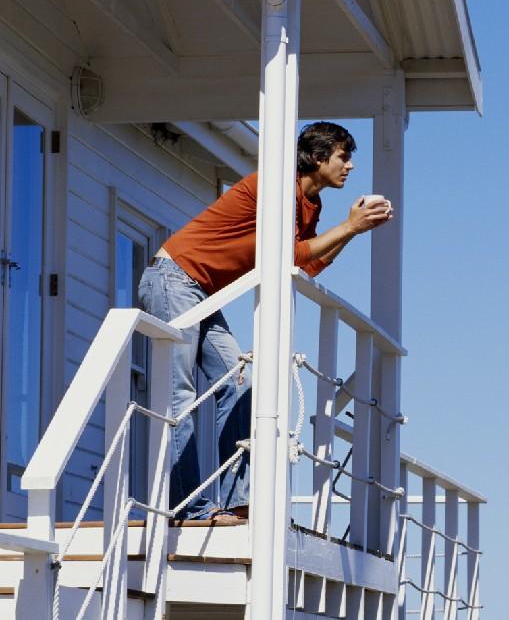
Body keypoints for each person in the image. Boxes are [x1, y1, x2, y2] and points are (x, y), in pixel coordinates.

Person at [137, 122, 393, 521]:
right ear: (319, 157)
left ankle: (239, 501)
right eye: (344, 156)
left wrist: (353, 232)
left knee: (243, 383)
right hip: (175, 278)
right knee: (180, 397)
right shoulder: (276, 187)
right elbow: (288, 254)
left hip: (203, 291)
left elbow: (305, 265)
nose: (350, 166)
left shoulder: (310, 205)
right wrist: (348, 226)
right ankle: (190, 509)